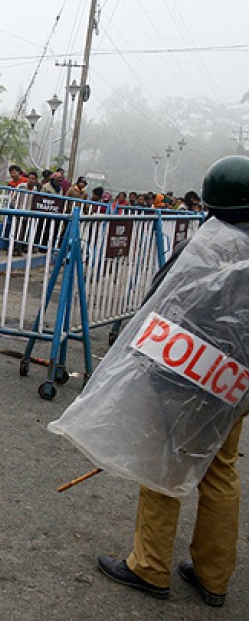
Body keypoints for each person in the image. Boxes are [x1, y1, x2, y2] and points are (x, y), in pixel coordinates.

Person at [96, 155, 249, 608]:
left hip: (188, 375)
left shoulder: (207, 245)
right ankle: (213, 576)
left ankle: (149, 566)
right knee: (220, 470)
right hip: (235, 384)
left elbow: (162, 303)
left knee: (165, 464)